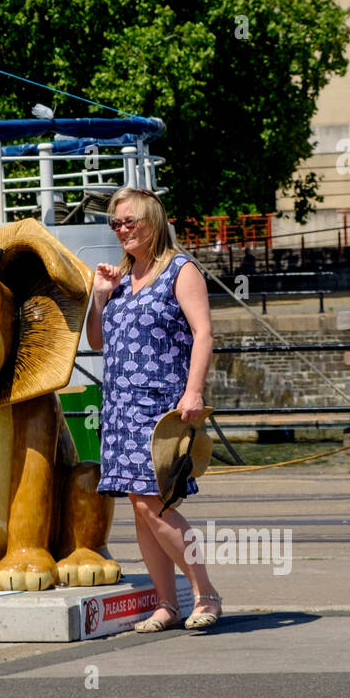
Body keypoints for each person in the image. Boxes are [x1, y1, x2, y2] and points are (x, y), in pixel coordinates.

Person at [86, 187, 222, 632]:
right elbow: (97, 341)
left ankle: (205, 592)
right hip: (121, 408)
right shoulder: (121, 278)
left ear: (153, 223)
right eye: (116, 224)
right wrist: (101, 295)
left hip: (161, 405)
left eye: (129, 222)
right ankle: (166, 603)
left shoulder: (180, 270)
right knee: (139, 505)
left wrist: (194, 391)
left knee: (155, 503)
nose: (121, 230)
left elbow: (203, 334)